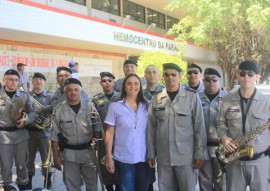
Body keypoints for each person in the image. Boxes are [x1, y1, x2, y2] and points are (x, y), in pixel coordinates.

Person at [147, 63, 207, 191]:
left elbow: (199, 127)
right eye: (167, 74)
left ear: (180, 76)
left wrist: (199, 153)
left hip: (186, 158)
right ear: (163, 77)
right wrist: (151, 153)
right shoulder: (156, 98)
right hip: (164, 158)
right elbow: (151, 128)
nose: (170, 77)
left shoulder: (191, 96)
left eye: (173, 74)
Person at [217, 60, 270, 191]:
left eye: (251, 74)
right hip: (234, 162)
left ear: (257, 76)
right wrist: (223, 138)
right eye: (243, 73)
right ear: (237, 75)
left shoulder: (267, 102)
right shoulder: (227, 101)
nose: (246, 77)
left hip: (260, 162)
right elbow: (220, 124)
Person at [50, 78, 101, 191]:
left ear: (81, 92)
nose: (73, 92)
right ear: (65, 92)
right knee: (72, 187)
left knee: (92, 186)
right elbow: (54, 135)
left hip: (88, 154)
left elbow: (97, 126)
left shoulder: (90, 107)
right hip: (69, 155)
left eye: (76, 90)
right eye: (69, 90)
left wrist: (95, 138)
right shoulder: (58, 110)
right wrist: (56, 157)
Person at [105, 73, 150, 191]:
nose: (133, 86)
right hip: (124, 158)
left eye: (136, 84)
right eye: (129, 84)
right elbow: (109, 133)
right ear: (124, 87)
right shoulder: (115, 107)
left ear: (140, 87)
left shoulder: (147, 106)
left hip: (144, 157)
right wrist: (109, 157)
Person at [0, 69, 36, 191]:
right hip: (3, 136)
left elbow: (33, 113)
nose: (14, 82)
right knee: (5, 165)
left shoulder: (24, 95)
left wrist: (26, 121)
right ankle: (7, 185)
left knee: (22, 164)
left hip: (21, 135)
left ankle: (22, 183)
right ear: (4, 80)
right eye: (10, 79)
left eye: (16, 80)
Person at [198, 68, 227, 191]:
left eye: (214, 79)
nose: (211, 82)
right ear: (203, 81)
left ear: (219, 80)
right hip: (203, 148)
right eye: (208, 79)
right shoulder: (196, 98)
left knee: (222, 183)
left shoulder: (228, 98)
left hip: (222, 148)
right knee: (205, 183)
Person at [92, 72, 120, 191]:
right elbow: (93, 120)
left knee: (119, 168)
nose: (107, 83)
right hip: (103, 140)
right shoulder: (96, 99)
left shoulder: (121, 97)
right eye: (104, 81)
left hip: (120, 140)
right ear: (101, 83)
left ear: (114, 82)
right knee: (104, 167)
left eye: (110, 80)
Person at [26, 72, 53, 190]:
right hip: (30, 132)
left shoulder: (50, 97)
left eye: (41, 79)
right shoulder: (26, 95)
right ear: (32, 82)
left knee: (46, 158)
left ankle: (47, 182)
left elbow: (55, 106)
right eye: (36, 79)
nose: (38, 81)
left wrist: (42, 109)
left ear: (44, 82)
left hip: (45, 132)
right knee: (29, 158)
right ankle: (29, 181)